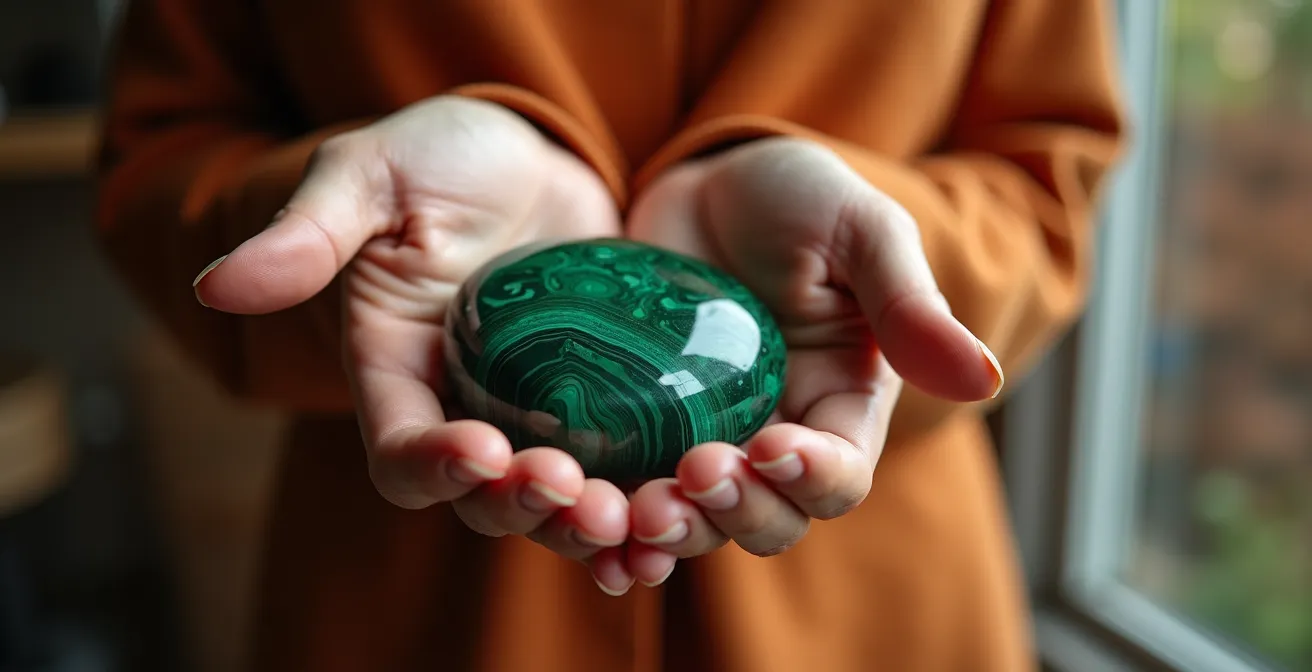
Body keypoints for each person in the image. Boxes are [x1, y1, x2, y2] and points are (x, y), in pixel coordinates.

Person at [94, 1, 1125, 670]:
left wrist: (884, 267)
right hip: (418, 582)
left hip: (867, 597)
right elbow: (157, 155)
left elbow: (1047, 179)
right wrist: (353, 245)